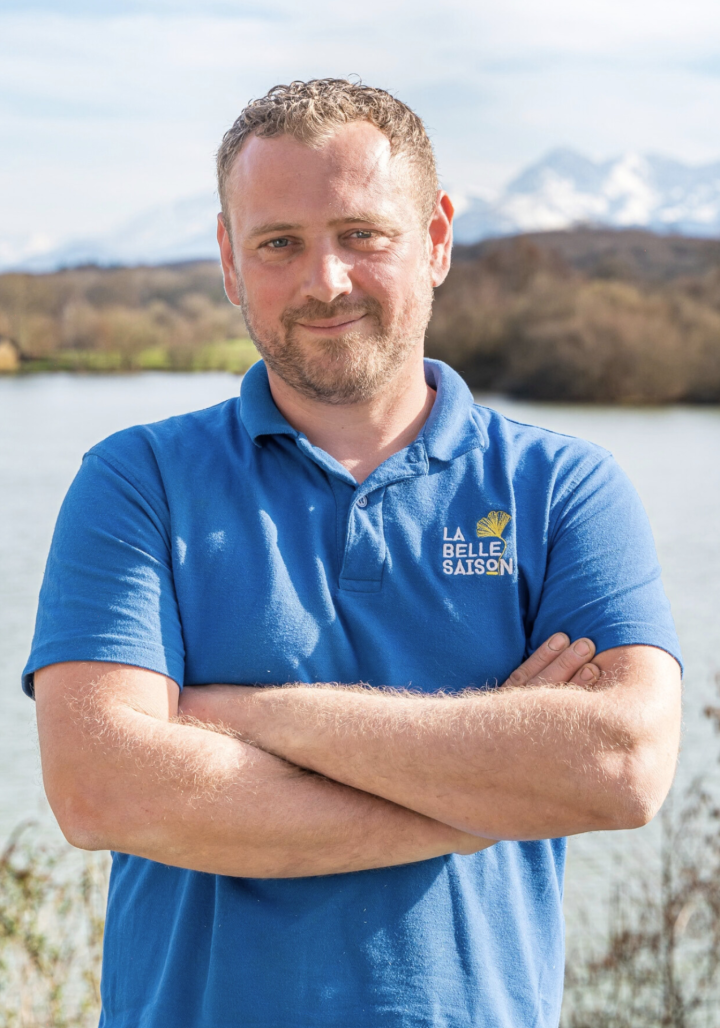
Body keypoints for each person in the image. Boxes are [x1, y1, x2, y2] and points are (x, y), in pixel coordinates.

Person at [25, 79, 682, 1028]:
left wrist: (254, 715)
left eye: (361, 234)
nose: (323, 280)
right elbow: (101, 788)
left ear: (437, 237)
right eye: (278, 242)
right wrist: (486, 794)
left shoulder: (562, 489)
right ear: (228, 259)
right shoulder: (139, 481)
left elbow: (621, 767)